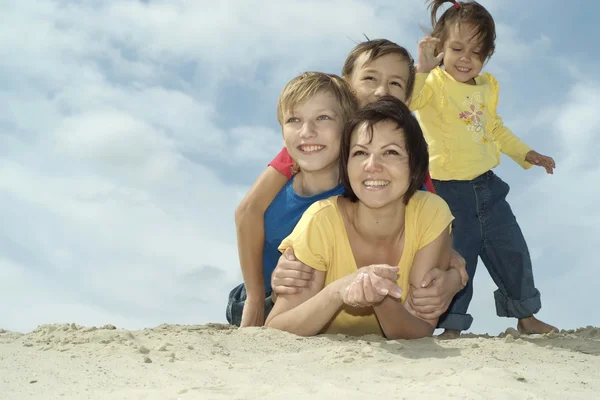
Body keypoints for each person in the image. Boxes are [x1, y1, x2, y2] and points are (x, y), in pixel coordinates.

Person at [229, 40, 468, 328]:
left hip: (337, 289)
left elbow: (430, 230)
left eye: (395, 84)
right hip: (275, 288)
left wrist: (454, 274)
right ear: (346, 87)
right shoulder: (312, 144)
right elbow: (247, 211)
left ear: (408, 96)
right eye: (369, 78)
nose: (382, 90)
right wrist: (256, 295)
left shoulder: (394, 166)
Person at [410, 0, 558, 338]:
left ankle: (526, 315)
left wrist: (527, 153)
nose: (465, 58)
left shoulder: (487, 87)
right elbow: (409, 102)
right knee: (457, 259)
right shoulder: (432, 83)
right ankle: (451, 325)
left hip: (488, 187)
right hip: (446, 192)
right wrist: (421, 67)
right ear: (440, 48)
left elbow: (495, 130)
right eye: (457, 48)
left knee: (512, 250)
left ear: (487, 55)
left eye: (476, 52)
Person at [265, 96, 454, 339]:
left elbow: (420, 329)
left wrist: (380, 297)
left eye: (391, 152)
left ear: (415, 165)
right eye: (360, 153)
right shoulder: (321, 220)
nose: (372, 165)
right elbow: (276, 328)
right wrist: (338, 291)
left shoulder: (431, 214)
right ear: (346, 165)